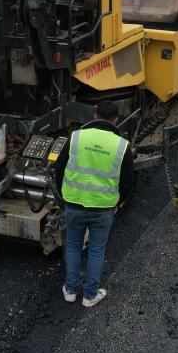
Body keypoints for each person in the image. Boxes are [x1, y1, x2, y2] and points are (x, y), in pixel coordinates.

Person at [53, 100, 134, 307]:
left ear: (95, 116)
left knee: (73, 246)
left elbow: (59, 167)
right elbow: (128, 182)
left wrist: (64, 193)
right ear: (116, 120)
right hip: (103, 208)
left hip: (74, 203)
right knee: (97, 250)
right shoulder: (122, 145)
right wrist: (117, 202)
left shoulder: (77, 137)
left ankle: (70, 290)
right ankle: (90, 295)